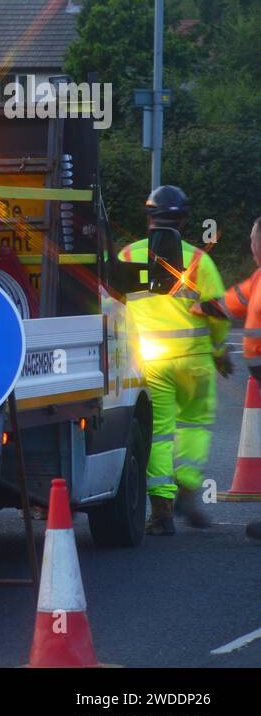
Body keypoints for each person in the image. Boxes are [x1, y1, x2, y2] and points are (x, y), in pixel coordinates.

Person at [119, 185, 231, 535]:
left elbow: (110, 306)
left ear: (149, 218)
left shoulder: (127, 256)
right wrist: (218, 350)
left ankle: (162, 512)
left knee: (161, 432)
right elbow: (217, 311)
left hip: (151, 362)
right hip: (195, 362)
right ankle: (187, 485)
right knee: (195, 425)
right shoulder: (199, 260)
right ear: (183, 220)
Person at [221, 217, 261, 543]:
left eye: (252, 239)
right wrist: (195, 305)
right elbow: (231, 302)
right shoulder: (258, 278)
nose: (250, 245)